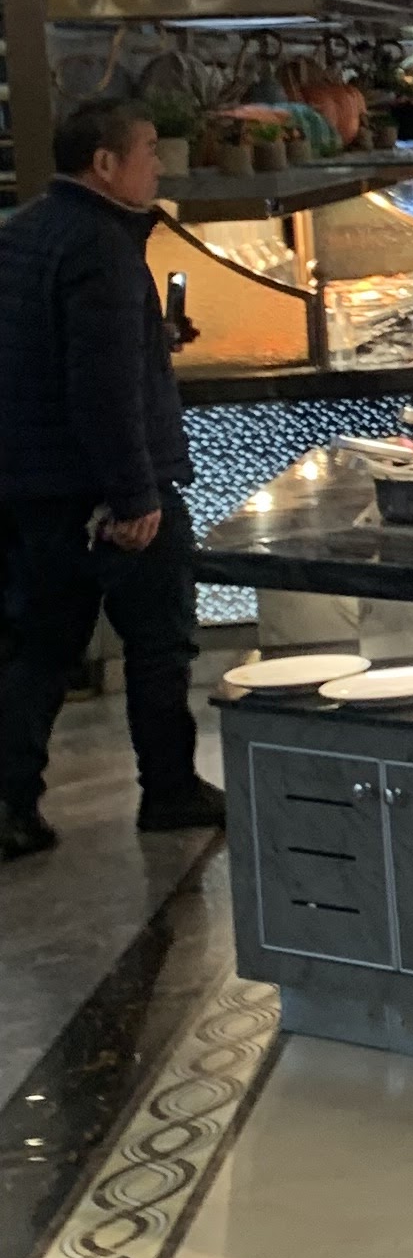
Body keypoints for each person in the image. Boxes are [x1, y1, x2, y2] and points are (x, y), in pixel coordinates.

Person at [0, 95, 224, 860]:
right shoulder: (102, 245)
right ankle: (170, 788)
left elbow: (45, 347)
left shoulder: (25, 229)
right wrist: (133, 495)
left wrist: (149, 334)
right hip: (105, 490)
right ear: (105, 163)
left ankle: (11, 803)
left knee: (39, 649)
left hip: (34, 487)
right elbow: (100, 386)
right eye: (149, 150)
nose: (158, 164)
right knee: (160, 643)